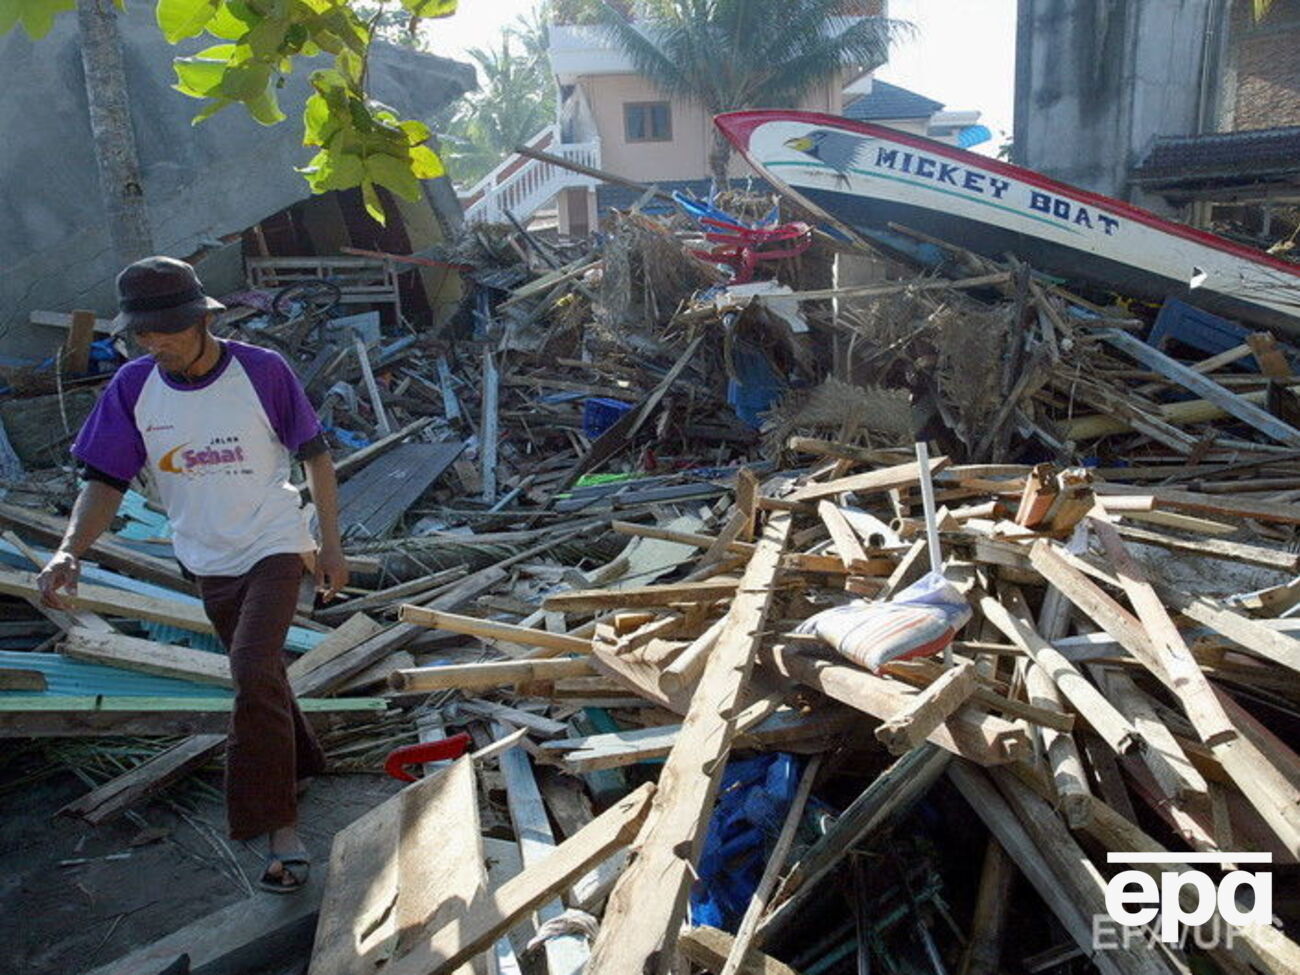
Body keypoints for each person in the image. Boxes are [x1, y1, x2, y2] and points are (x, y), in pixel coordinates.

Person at [37, 256, 348, 893]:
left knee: (250, 671)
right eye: (145, 335)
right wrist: (70, 550)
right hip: (205, 555)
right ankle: (305, 760)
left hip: (274, 543)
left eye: (168, 332)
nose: (157, 345)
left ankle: (278, 827)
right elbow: (104, 482)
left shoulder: (262, 372)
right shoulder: (131, 387)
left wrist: (329, 542)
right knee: (261, 673)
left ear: (203, 320)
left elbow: (315, 457)